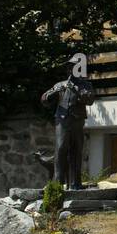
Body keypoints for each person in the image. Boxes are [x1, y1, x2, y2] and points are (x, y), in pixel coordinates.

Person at [40, 57, 94, 189]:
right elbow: (44, 100)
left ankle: (75, 183)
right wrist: (51, 94)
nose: (71, 70)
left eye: (74, 67)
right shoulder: (60, 84)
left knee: (76, 149)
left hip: (77, 120)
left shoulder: (85, 85)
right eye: (69, 67)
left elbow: (90, 100)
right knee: (61, 148)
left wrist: (75, 90)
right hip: (62, 120)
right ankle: (58, 183)